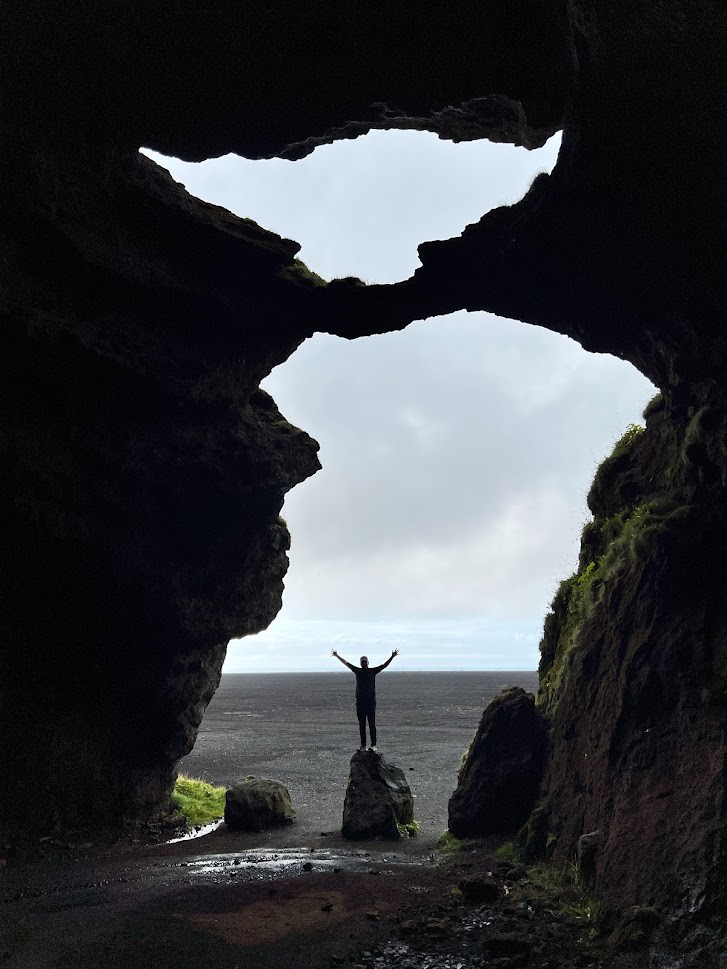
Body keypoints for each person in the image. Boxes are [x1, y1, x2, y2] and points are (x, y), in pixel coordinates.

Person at [331, 648, 399, 751]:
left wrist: (392, 657)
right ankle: (364, 745)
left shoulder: (369, 671)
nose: (364, 663)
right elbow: (346, 663)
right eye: (362, 661)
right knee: (363, 725)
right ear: (362, 663)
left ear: (367, 662)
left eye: (364, 661)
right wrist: (337, 656)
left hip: (370, 703)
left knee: (371, 724)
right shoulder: (359, 671)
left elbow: (384, 665)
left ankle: (373, 745)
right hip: (361, 703)